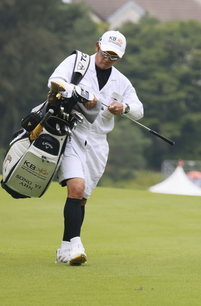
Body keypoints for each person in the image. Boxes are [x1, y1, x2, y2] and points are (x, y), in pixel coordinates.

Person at [50, 30, 143, 265]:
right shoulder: (78, 62)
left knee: (81, 199)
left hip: (99, 144)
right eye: (105, 53)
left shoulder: (121, 81)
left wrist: (123, 108)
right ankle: (77, 245)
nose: (108, 59)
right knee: (76, 188)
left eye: (114, 57)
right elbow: (55, 82)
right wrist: (81, 94)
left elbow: (139, 108)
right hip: (72, 133)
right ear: (97, 46)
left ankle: (64, 248)